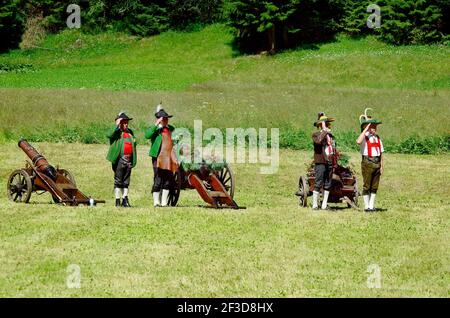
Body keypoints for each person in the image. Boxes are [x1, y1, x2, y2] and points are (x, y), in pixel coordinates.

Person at [145, 104, 178, 207]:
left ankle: (164, 202)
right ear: (160, 120)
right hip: (158, 157)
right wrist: (156, 125)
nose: (166, 121)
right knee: (158, 179)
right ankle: (156, 202)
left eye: (167, 119)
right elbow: (147, 135)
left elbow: (174, 140)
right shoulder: (155, 129)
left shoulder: (171, 129)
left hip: (168, 157)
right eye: (164, 119)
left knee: (168, 180)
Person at [106, 112, 137, 207]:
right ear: (120, 123)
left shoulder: (130, 132)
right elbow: (109, 134)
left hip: (129, 159)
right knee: (118, 180)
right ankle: (117, 200)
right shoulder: (116, 132)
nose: (126, 124)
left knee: (126, 181)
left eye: (127, 122)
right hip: (119, 159)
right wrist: (116, 125)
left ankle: (125, 199)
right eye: (124, 122)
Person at [356, 111, 384, 212]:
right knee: (367, 185)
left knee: (374, 186)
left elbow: (381, 153)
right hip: (367, 163)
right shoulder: (365, 137)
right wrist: (365, 130)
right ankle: (366, 206)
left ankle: (371, 206)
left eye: (375, 126)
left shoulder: (377, 138)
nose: (375, 128)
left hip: (377, 163)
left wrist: (382, 166)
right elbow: (358, 141)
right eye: (373, 126)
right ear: (367, 127)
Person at [311, 112, 337, 210]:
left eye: (328, 124)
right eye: (325, 123)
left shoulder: (330, 136)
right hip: (321, 161)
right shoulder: (316, 135)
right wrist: (324, 131)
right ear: (320, 125)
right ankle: (314, 205)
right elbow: (318, 141)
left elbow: (333, 148)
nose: (328, 125)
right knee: (318, 182)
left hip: (329, 161)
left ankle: (324, 205)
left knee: (328, 183)